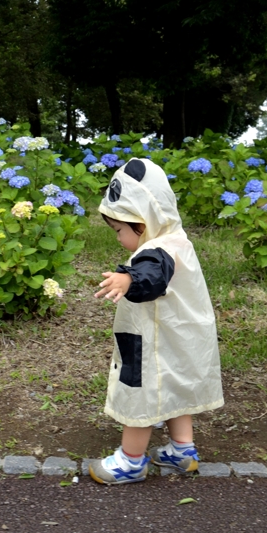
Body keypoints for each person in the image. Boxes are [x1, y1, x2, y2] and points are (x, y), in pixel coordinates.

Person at [89, 158, 223, 485]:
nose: (118, 238)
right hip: (179, 341)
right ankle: (182, 451)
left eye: (120, 230)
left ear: (144, 221)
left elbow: (152, 276)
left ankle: (131, 461)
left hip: (152, 344)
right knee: (174, 390)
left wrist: (128, 280)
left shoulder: (158, 251)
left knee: (142, 395)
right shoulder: (177, 241)